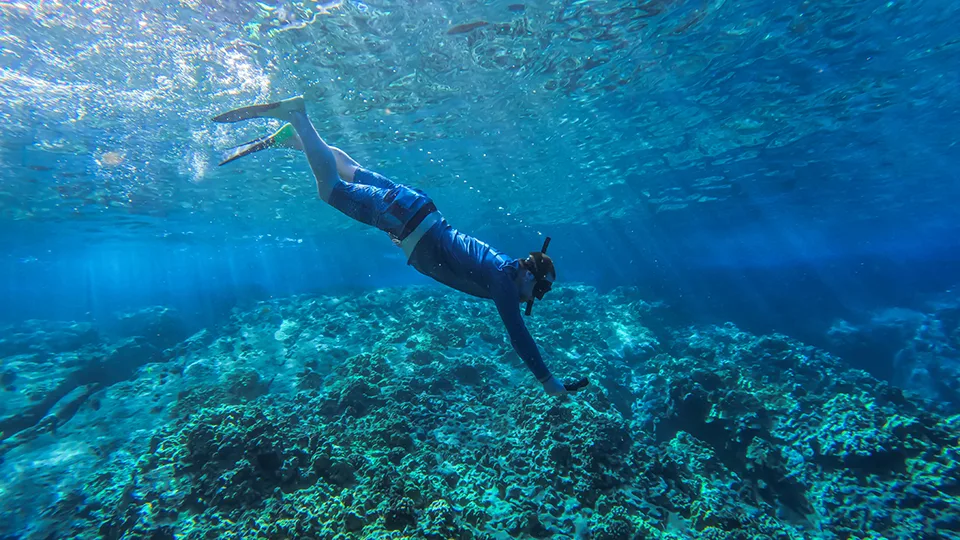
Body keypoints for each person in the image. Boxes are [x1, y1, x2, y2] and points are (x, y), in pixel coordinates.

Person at [212, 96, 587, 396]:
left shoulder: (505, 266)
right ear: (527, 272)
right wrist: (548, 381)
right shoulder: (505, 281)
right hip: (406, 222)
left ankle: (292, 138)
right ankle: (298, 118)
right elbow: (518, 335)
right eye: (537, 290)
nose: (532, 298)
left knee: (351, 169)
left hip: (418, 208)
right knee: (331, 190)